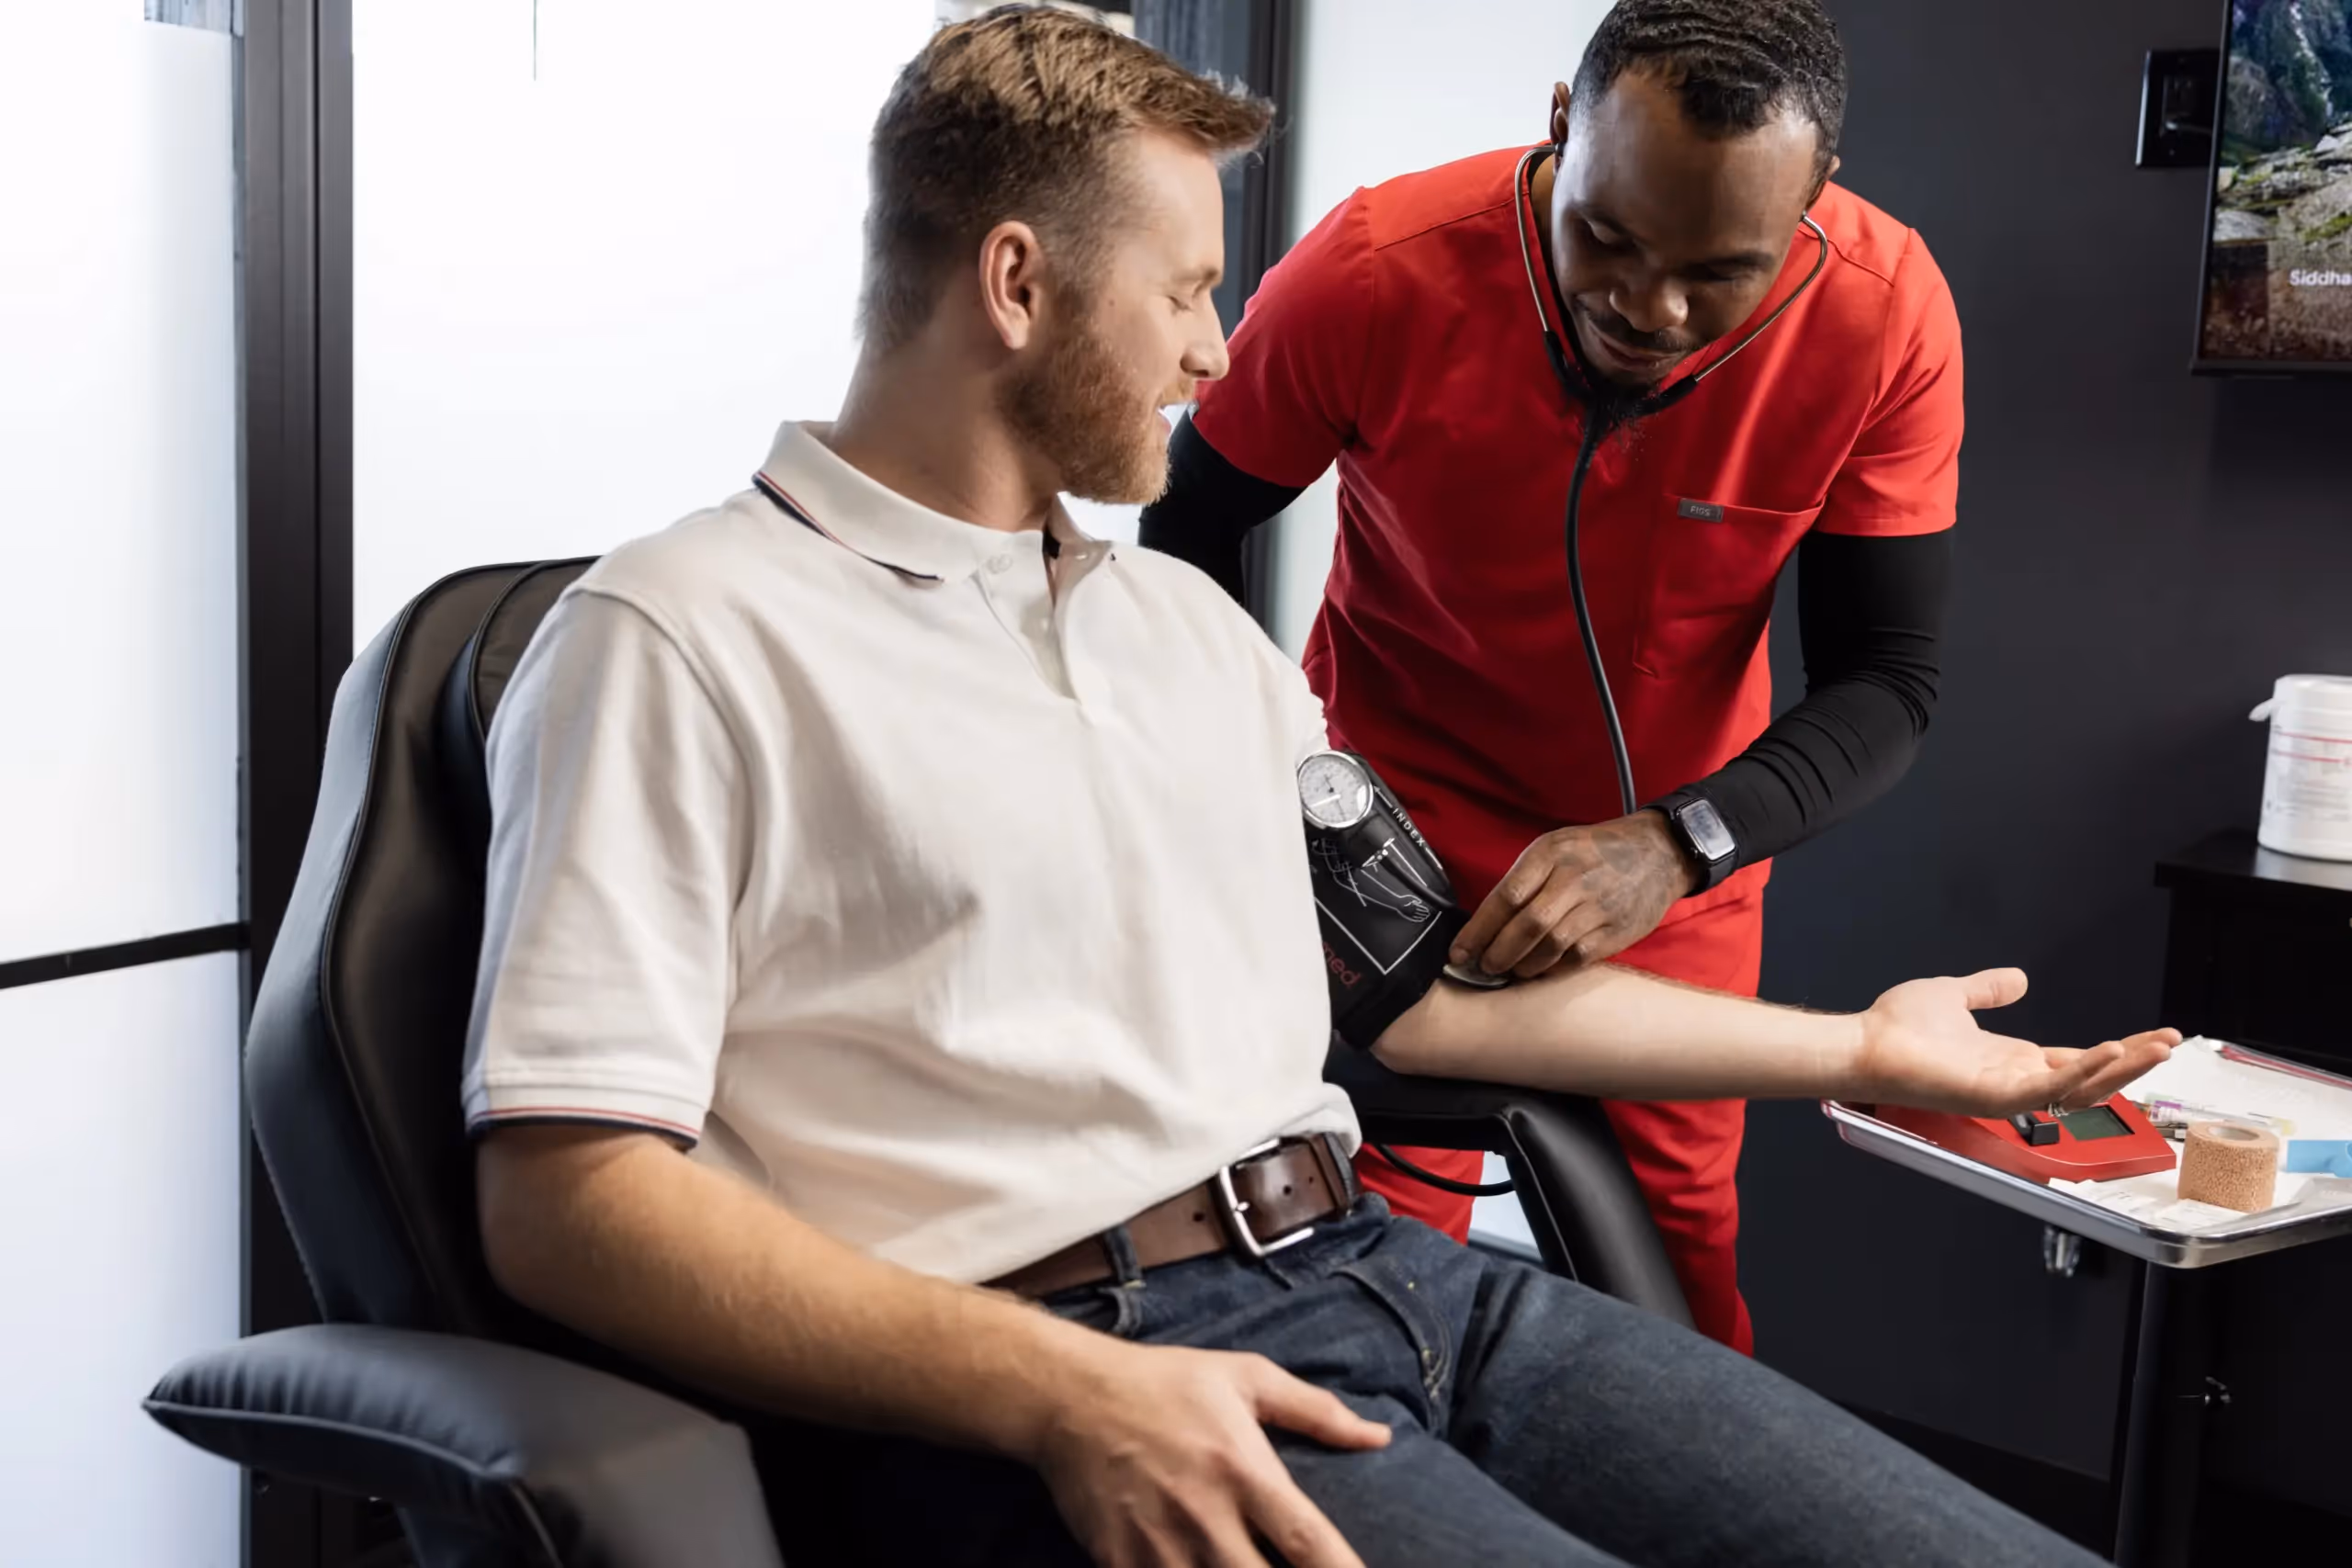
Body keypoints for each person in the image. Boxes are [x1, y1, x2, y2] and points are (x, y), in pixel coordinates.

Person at [462, 10, 2166, 1565]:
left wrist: (1862, 1047)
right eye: (1190, 291)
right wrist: (1056, 1393)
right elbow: (565, 1198)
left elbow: (1433, 1007)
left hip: (1391, 1277)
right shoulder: (677, 633)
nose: (1222, 355)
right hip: (1089, 1350)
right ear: (1015, 282)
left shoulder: (1190, 639)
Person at [1140, 0, 1955, 1354]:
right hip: (1379, 850)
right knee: (1375, 1264)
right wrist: (1266, 793)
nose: (1648, 308)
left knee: (1673, 1284)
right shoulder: (1374, 266)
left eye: (1717, 273)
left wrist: (1677, 845)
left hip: (1673, 863)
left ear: (1814, 204)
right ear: (1563, 127)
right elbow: (1186, 528)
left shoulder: (1885, 318)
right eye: (1609, 239)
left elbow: (1891, 681)